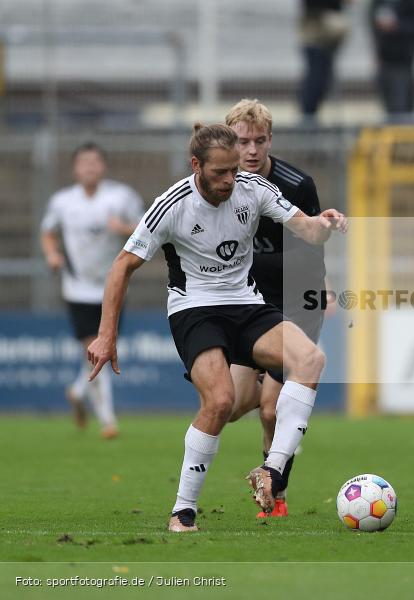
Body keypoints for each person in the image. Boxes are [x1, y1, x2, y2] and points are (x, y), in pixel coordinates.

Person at [86, 123, 347, 532]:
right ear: (196, 165)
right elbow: (122, 266)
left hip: (246, 304)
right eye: (220, 172)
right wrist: (106, 335)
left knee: (311, 359)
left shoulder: (252, 188)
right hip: (196, 310)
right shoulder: (171, 205)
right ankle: (183, 510)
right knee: (221, 401)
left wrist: (325, 222)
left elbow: (307, 229)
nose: (230, 180)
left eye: (233, 171)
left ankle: (272, 472)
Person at [224, 98, 328, 518]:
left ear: (271, 140)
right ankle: (272, 396)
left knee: (272, 407)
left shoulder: (297, 184)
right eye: (242, 141)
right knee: (228, 406)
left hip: (294, 304)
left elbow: (312, 247)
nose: (251, 150)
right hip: (247, 303)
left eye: (259, 141)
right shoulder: (219, 183)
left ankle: (275, 494)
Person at [40, 142, 144, 440]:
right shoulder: (62, 201)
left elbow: (147, 229)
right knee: (95, 349)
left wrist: (123, 228)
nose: (90, 167)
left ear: (104, 166)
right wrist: (52, 254)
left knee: (101, 349)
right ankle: (108, 420)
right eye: (84, 162)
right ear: (75, 168)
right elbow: (47, 232)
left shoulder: (121, 196)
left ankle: (77, 390)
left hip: (111, 286)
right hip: (77, 288)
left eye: (95, 161)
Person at [369, 0, 414, 120]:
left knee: (400, 112)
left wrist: (397, 26)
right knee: (391, 111)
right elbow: (373, 21)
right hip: (385, 61)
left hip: (403, 63)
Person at [299, 0, 352, 121]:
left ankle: (309, 117)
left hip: (320, 29)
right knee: (316, 78)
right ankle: (308, 118)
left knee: (321, 77)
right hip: (317, 27)